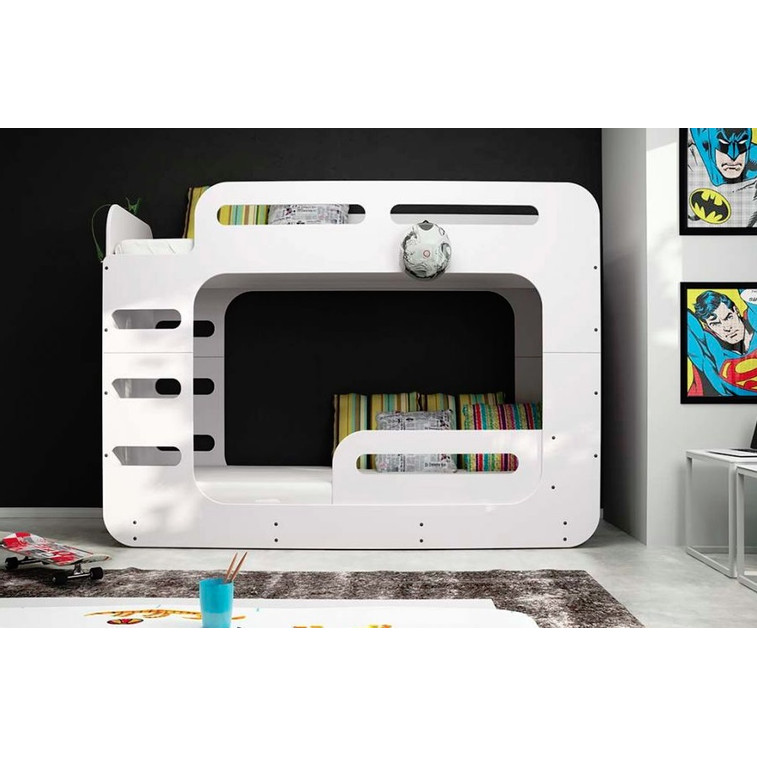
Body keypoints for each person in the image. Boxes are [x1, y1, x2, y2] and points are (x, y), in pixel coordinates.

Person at [687, 289, 757, 397]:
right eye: (716, 324)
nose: (727, 328)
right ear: (708, 327)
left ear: (736, 311)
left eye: (728, 317)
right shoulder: (714, 354)